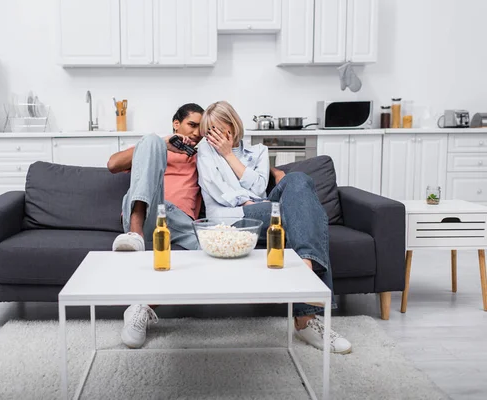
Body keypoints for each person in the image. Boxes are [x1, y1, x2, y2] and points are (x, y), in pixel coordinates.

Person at [196, 101, 352, 354]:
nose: (214, 137)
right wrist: (247, 199)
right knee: (301, 214)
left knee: (299, 180)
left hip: (264, 208)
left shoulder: (258, 150)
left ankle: (306, 264)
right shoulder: (205, 150)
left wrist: (229, 155)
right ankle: (306, 319)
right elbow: (216, 189)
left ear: (233, 127)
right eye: (209, 131)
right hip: (231, 216)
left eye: (219, 130)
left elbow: (258, 187)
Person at [107, 103, 204, 348]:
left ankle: (140, 309)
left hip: (182, 223)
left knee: (219, 251)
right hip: (152, 212)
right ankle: (135, 234)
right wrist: (164, 143)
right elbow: (112, 164)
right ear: (176, 124)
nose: (196, 133)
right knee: (149, 140)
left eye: (200, 128)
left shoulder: (202, 154)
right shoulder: (155, 148)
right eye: (192, 125)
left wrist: (275, 173)